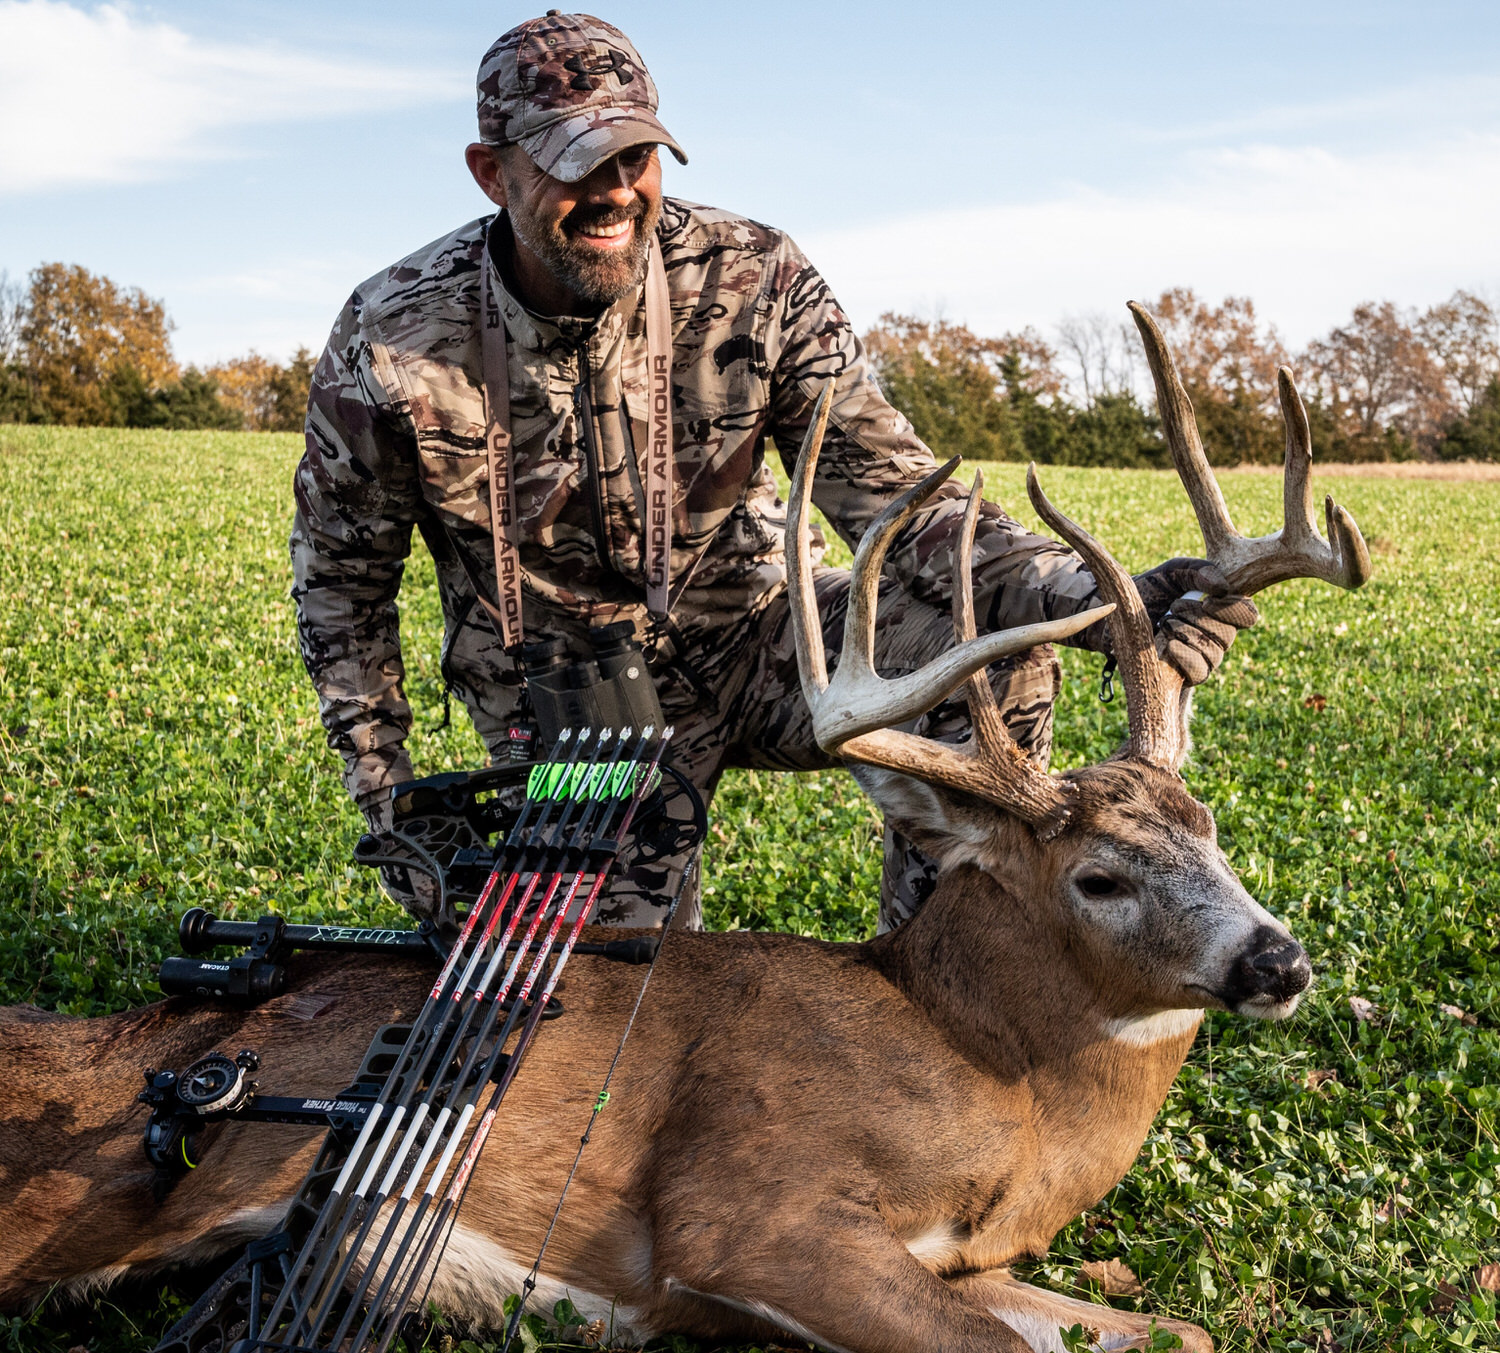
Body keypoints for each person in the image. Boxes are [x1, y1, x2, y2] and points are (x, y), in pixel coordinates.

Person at [291, 11, 1255, 932]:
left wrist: (1102, 595)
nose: (618, 190)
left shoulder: (754, 276)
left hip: (758, 641)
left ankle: (952, 1000)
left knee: (988, 652)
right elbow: (343, 588)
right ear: (491, 174)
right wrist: (391, 798)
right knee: (605, 994)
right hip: (570, 711)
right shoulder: (393, 337)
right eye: (575, 165)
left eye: (637, 158)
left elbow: (899, 500)